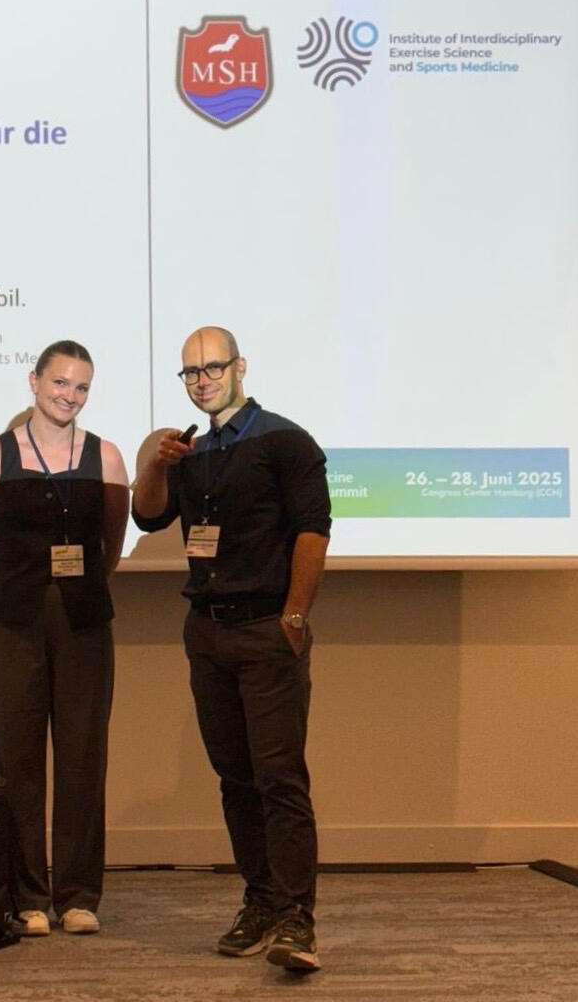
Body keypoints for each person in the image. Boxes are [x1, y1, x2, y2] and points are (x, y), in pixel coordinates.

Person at [131, 327, 331, 971]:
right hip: (208, 631)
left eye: (213, 368)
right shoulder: (189, 450)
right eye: (190, 372)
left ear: (240, 367)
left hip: (267, 628)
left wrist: (294, 616)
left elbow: (313, 532)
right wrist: (156, 464)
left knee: (279, 778)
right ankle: (261, 901)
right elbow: (147, 516)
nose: (202, 381)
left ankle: (298, 919)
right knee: (236, 779)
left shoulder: (285, 441)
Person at [0, 340, 129, 936]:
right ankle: (26, 897)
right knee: (16, 760)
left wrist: (69, 591)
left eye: (81, 387)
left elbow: (110, 548)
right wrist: (20, 590)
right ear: (34, 382)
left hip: (83, 623)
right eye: (60, 383)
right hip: (12, 620)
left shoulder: (106, 456)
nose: (70, 396)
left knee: (83, 757)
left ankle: (79, 896)